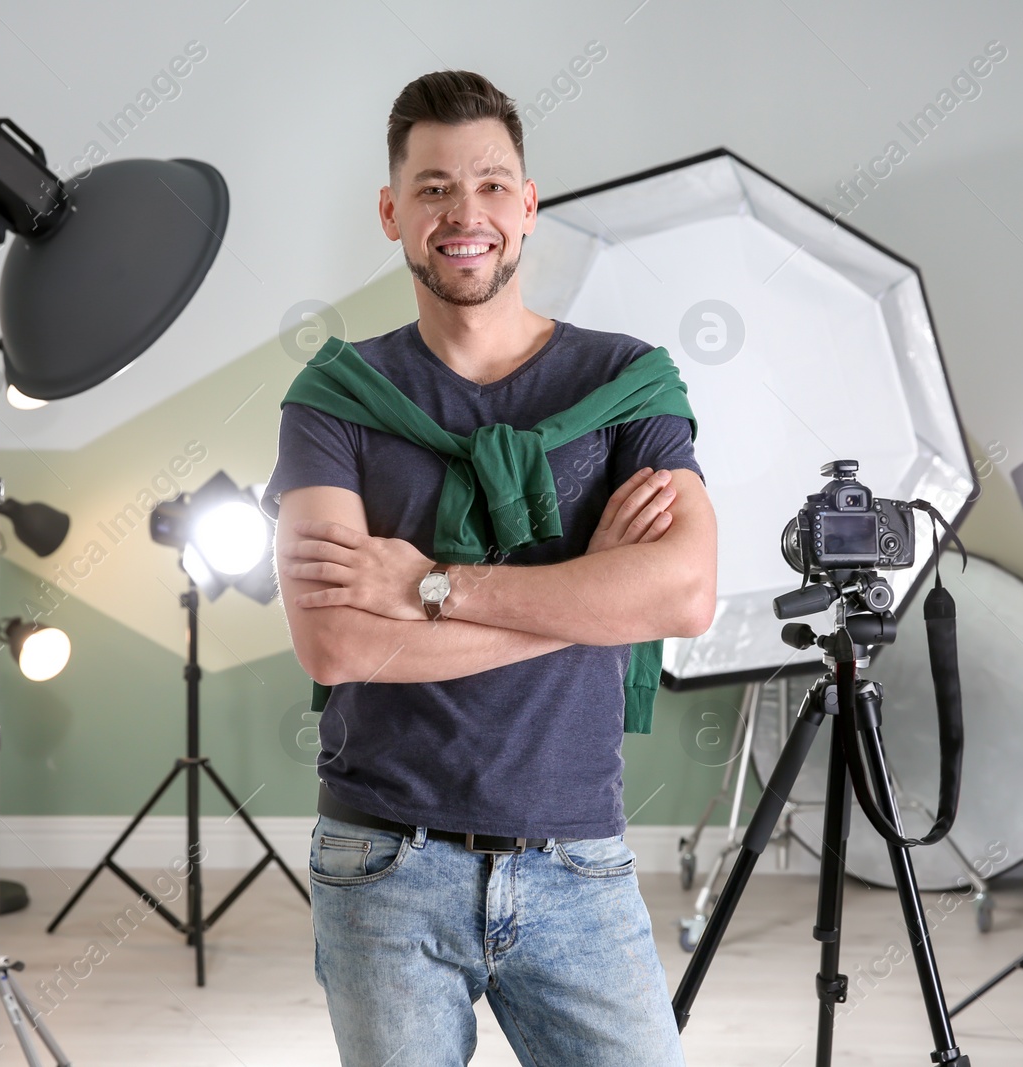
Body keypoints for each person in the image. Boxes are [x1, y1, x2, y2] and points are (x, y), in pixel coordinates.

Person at [262, 69, 717, 1067]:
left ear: (527, 204)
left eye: (489, 184)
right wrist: (592, 590)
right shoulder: (336, 396)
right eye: (431, 188)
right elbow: (337, 641)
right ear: (391, 211)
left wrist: (431, 586)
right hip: (384, 861)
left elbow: (682, 594)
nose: (463, 212)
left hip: (577, 854)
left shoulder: (623, 380)